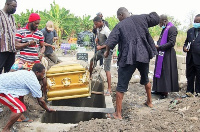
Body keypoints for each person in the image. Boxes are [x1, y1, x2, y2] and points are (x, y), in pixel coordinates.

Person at [104, 7, 159, 119]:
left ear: (121, 15)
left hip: (128, 58)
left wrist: (106, 52)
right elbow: (156, 18)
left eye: (118, 17)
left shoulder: (120, 25)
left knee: (121, 85)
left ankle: (118, 114)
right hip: (143, 55)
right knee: (146, 79)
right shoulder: (141, 18)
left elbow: (111, 41)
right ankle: (149, 102)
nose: (118, 19)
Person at [0, 63, 55, 132]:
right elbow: (40, 101)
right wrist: (48, 109)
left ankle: (21, 117)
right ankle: (6, 129)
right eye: (43, 74)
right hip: (2, 90)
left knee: (20, 98)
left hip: (3, 84)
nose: (43, 76)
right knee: (19, 108)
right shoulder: (33, 81)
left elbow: (20, 94)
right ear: (37, 73)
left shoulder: (27, 73)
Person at [152, 15, 179, 99]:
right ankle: (158, 89)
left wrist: (159, 47)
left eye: (160, 23)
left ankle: (164, 91)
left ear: (164, 21)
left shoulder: (172, 28)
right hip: (161, 53)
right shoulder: (165, 28)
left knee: (165, 72)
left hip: (168, 55)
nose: (159, 25)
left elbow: (171, 43)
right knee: (159, 71)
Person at [89, 16, 112, 96]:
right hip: (101, 50)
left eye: (96, 24)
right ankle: (89, 77)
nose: (95, 26)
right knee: (92, 61)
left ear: (100, 22)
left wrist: (101, 47)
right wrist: (97, 39)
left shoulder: (106, 30)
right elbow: (98, 36)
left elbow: (111, 43)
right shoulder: (98, 29)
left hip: (107, 51)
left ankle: (109, 89)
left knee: (107, 69)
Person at [183, 14, 200, 97]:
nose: (195, 23)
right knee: (189, 76)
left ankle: (198, 92)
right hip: (190, 58)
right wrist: (184, 47)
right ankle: (189, 92)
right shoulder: (190, 31)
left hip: (199, 58)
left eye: (197, 22)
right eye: (195, 21)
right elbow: (186, 42)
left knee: (199, 76)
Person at [0, 0, 17, 74]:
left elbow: (13, 34)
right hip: (2, 50)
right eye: (13, 6)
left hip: (11, 50)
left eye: (16, 7)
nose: (15, 9)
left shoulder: (12, 18)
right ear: (7, 4)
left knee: (10, 71)